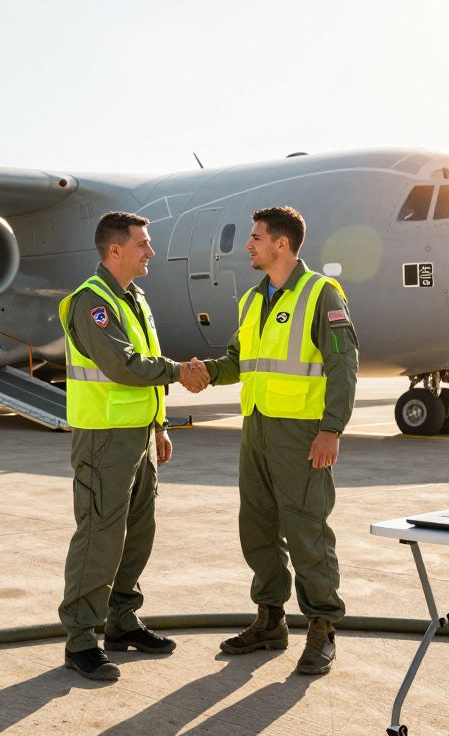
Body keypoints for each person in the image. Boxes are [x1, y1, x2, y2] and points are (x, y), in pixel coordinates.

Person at [182, 206, 358, 676]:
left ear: (282, 243)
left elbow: (343, 365)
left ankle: (322, 628)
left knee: (306, 530)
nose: (249, 245)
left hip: (301, 431)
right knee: (257, 527)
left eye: (256, 237)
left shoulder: (321, 293)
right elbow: (242, 361)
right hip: (256, 427)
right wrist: (204, 373)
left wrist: (331, 429)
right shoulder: (252, 301)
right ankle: (271, 620)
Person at [57, 211, 199, 681]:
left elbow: (143, 367)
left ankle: (121, 621)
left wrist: (159, 424)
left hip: (139, 435)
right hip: (103, 439)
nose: (151, 252)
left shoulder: (135, 297)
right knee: (100, 537)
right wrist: (180, 371)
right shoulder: (92, 302)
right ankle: (81, 639)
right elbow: (124, 365)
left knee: (137, 534)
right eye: (143, 244)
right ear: (115, 251)